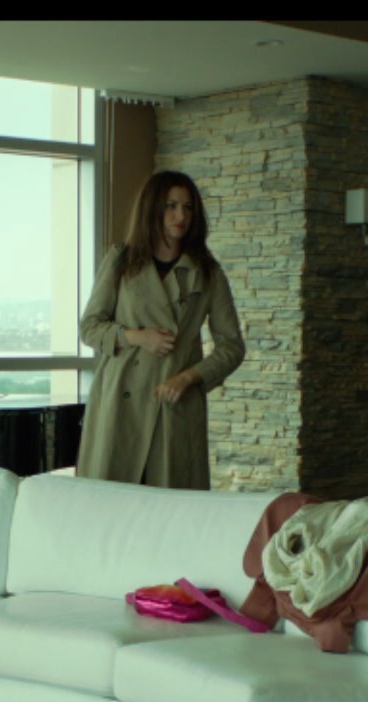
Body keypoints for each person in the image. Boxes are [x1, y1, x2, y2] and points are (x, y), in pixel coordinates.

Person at [77, 170, 246, 489]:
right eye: (171, 206)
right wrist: (137, 337)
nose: (181, 216)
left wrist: (189, 377)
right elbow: (89, 328)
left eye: (188, 207)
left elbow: (232, 347)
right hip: (120, 403)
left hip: (174, 402)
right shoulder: (121, 260)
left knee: (170, 507)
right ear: (152, 208)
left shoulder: (207, 272)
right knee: (112, 503)